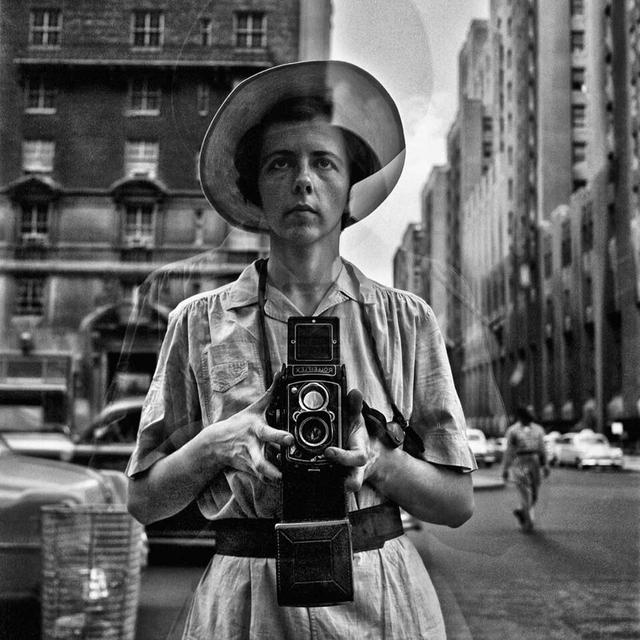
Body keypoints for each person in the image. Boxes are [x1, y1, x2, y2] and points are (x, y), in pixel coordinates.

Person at [126, 60, 476, 639]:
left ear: (348, 189)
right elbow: (143, 500)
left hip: (380, 599)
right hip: (246, 600)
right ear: (255, 188)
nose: (303, 180)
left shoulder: (406, 320)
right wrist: (218, 445)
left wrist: (378, 464)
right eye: (280, 162)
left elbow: (457, 501)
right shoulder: (197, 322)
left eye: (324, 162)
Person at [501, 406, 549, 532]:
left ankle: (522, 511)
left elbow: (542, 449)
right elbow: (509, 451)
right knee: (524, 493)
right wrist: (505, 469)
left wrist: (545, 465)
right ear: (521, 417)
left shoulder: (538, 430)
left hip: (534, 460)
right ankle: (528, 523)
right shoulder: (513, 431)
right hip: (519, 462)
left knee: (534, 494)